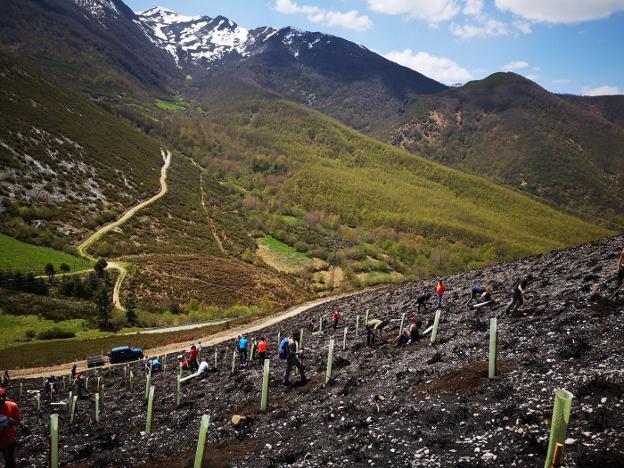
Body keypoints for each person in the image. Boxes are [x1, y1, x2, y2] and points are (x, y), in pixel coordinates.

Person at [0, 387, 20, 468]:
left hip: (9, 441)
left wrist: (9, 420)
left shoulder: (12, 406)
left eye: (3, 396)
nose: (1, 398)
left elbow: (17, 422)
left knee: (10, 462)